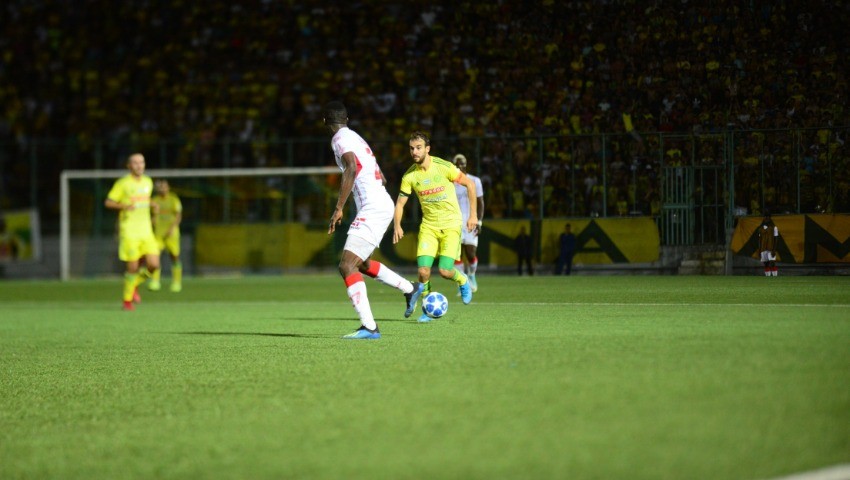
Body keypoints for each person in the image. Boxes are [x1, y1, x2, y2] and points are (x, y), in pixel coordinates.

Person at [324, 101, 424, 339]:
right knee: (363, 263)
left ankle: (369, 327)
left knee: (346, 265)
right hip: (379, 202)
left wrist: (339, 208)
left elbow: (350, 168)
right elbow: (383, 178)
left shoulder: (339, 139)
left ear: (325, 122)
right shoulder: (356, 138)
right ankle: (411, 289)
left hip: (373, 207)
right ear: (346, 120)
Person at [393, 131, 478, 322]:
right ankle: (427, 308)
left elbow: (470, 184)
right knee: (423, 272)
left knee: (445, 271)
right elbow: (400, 203)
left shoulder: (443, 167)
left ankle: (463, 280)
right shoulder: (410, 176)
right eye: (411, 148)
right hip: (429, 227)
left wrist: (473, 215)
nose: (414, 152)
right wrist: (397, 225)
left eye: (418, 148)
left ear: (427, 149)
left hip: (451, 225)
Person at [104, 153, 160, 311]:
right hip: (129, 231)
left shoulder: (148, 182)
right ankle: (127, 301)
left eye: (141, 162)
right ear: (129, 166)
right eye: (135, 163)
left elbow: (144, 199)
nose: (139, 165)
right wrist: (123, 206)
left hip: (146, 231)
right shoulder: (123, 183)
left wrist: (153, 204)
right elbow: (108, 202)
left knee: (154, 265)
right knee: (132, 268)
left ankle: (134, 284)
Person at [452, 153, 484, 292]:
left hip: (471, 220)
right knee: (456, 254)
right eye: (458, 164)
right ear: (454, 166)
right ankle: (462, 282)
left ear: (466, 165)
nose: (461, 166)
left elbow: (480, 202)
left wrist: (479, 221)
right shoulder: (450, 183)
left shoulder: (474, 181)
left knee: (470, 253)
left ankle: (471, 274)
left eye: (463, 163)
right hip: (455, 222)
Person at [149, 179, 183, 292]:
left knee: (174, 256)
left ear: (168, 187)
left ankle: (176, 282)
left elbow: (178, 215)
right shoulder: (154, 200)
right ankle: (155, 281)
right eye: (160, 187)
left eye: (164, 186)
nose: (162, 189)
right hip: (158, 234)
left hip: (172, 234)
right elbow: (152, 216)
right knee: (155, 257)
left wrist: (172, 228)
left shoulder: (173, 199)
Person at [758, 212, 779, 277]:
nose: (766, 218)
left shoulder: (774, 227)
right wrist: (759, 249)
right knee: (766, 263)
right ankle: (768, 278)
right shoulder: (760, 228)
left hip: (770, 248)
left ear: (770, 218)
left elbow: (776, 239)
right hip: (763, 248)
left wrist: (774, 250)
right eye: (765, 217)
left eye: (767, 217)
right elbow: (759, 239)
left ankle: (775, 277)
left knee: (772, 263)